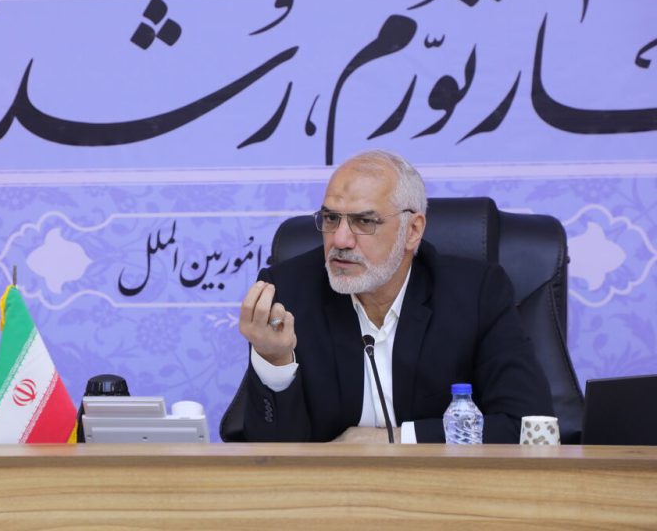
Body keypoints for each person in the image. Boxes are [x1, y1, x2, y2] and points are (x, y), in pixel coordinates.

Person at [233, 150, 552, 443]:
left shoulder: (476, 294)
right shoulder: (287, 293)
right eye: (331, 219)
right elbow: (272, 454)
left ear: (412, 231)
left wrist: (398, 439)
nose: (340, 240)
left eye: (364, 221)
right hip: (328, 485)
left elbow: (526, 427)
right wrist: (274, 361)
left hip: (443, 482)